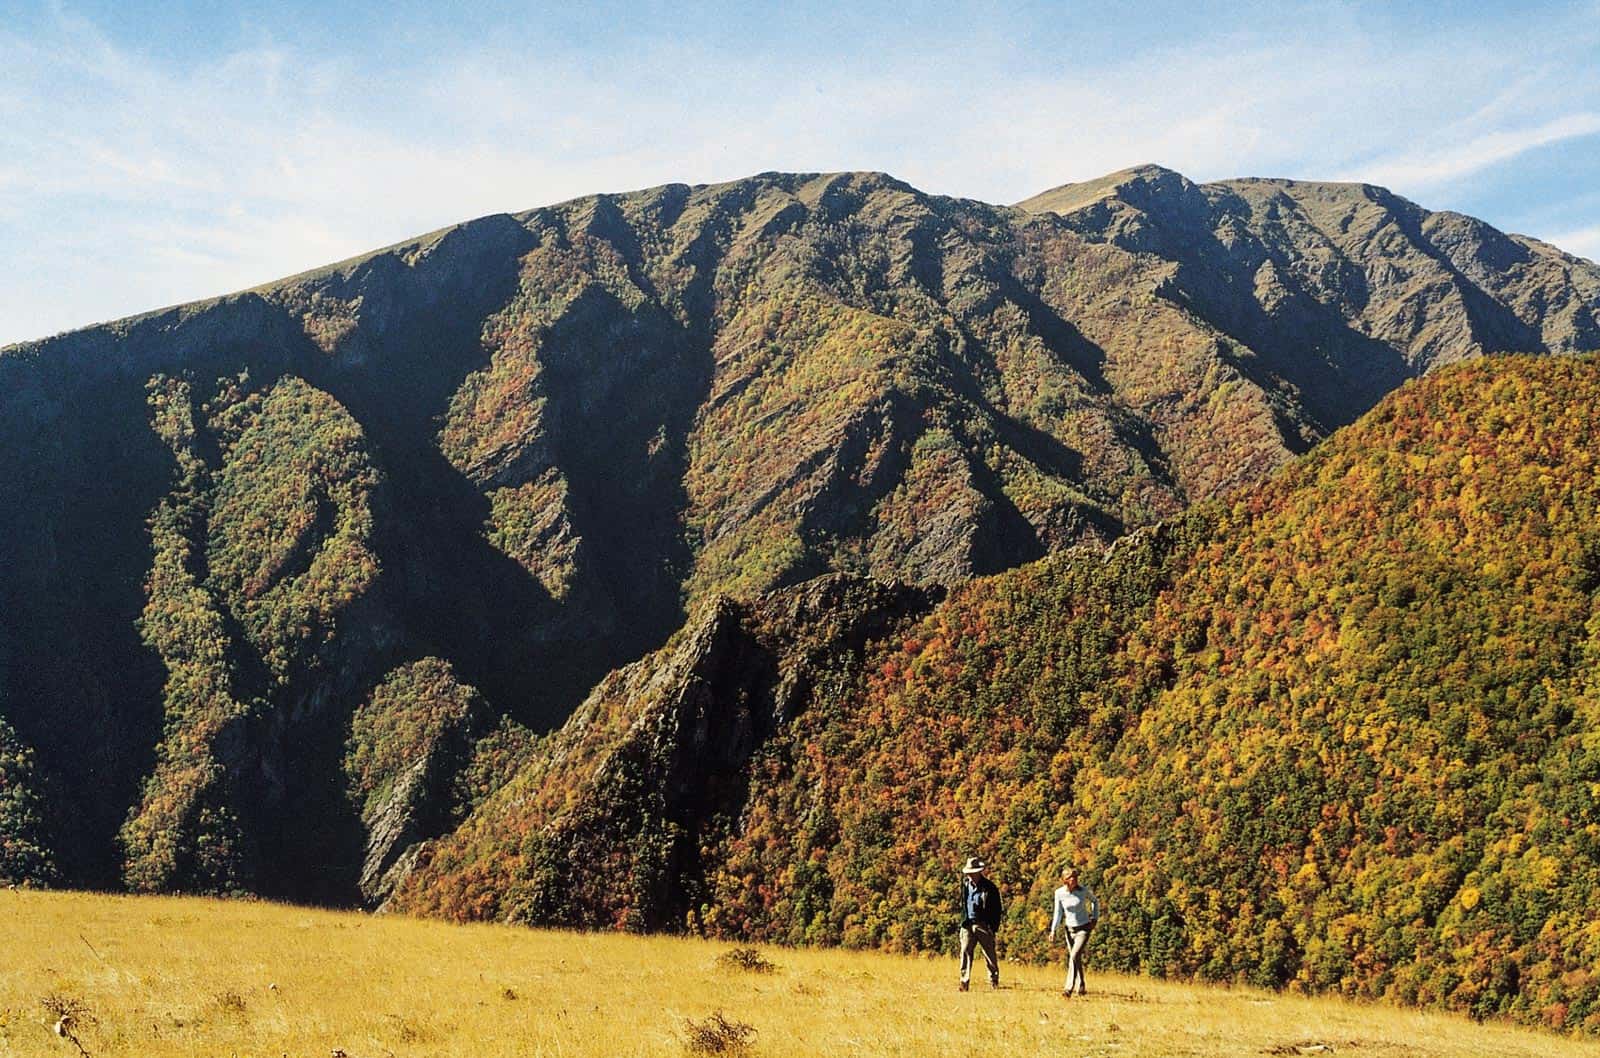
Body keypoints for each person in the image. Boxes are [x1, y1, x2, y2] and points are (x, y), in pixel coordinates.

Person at [1049, 866, 1100, 997]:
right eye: (1071, 877)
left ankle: (1068, 989)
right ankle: (1081, 984)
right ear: (1065, 880)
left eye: (1076, 877)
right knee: (1076, 958)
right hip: (1069, 930)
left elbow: (1095, 901)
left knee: (1073, 956)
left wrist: (1094, 918)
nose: (1074, 879)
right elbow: (1058, 913)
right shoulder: (1059, 893)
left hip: (1083, 928)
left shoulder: (1083, 891)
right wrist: (1053, 930)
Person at [957, 856, 1002, 991]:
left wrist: (992, 928)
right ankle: (964, 982)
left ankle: (993, 981)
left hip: (983, 925)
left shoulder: (990, 888)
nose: (969, 875)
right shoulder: (965, 885)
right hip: (967, 924)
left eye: (971, 873)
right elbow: (963, 903)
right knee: (965, 952)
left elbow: (997, 909)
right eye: (968, 873)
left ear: (978, 872)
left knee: (989, 954)